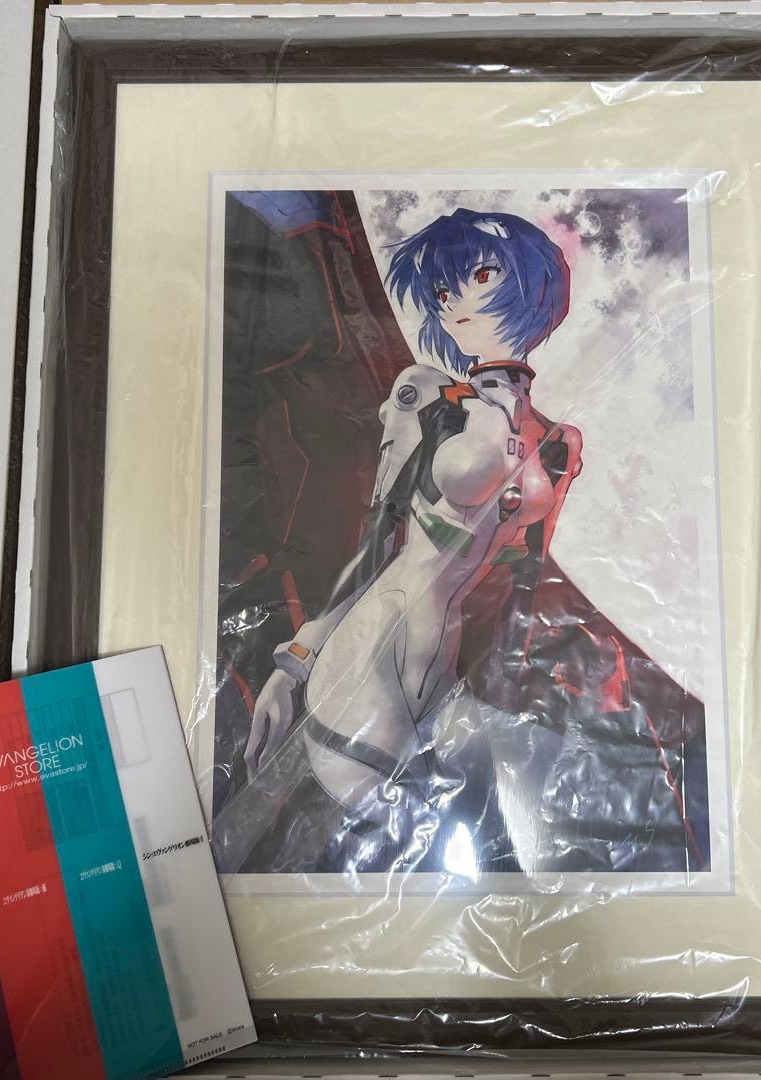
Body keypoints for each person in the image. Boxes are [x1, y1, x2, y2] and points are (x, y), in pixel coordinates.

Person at [236, 208, 582, 869]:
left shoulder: (560, 444)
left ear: (535, 284)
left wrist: (517, 697)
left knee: (469, 864)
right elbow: (375, 541)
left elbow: (529, 585)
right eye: (442, 286)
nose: (452, 300)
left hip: (447, 675)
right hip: (373, 648)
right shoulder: (426, 395)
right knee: (368, 859)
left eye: (480, 275)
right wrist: (294, 663)